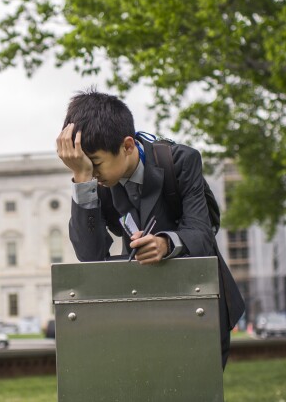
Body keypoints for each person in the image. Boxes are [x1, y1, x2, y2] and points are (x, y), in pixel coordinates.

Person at [56, 89, 245, 369]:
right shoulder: (96, 183)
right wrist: (82, 179)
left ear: (128, 146)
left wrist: (166, 244)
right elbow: (90, 255)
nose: (92, 174)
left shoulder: (180, 161)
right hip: (138, 310)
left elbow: (202, 234)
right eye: (84, 167)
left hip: (198, 306)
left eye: (95, 164)